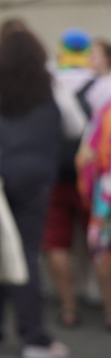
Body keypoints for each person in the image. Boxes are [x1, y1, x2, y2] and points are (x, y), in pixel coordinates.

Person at [0, 30, 70, 358]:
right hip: (36, 178)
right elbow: (74, 126)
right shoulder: (51, 88)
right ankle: (34, 337)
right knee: (27, 254)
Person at [42, 29, 99, 329]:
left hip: (54, 177)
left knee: (57, 243)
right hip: (91, 180)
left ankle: (68, 307)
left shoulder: (50, 82)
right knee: (100, 243)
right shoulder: (102, 86)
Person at [74, 101, 111, 330]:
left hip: (106, 193)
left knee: (104, 252)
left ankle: (110, 310)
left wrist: (87, 190)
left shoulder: (105, 111)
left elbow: (85, 155)